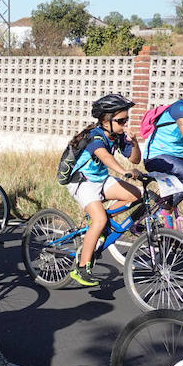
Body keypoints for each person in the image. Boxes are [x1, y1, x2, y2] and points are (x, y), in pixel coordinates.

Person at [62, 93, 146, 287]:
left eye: (126, 120)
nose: (124, 124)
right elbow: (105, 157)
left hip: (100, 179)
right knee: (99, 219)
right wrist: (124, 172)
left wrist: (134, 143)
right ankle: (81, 268)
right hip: (81, 182)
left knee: (136, 195)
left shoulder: (116, 136)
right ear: (106, 120)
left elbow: (135, 159)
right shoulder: (95, 136)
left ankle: (100, 226)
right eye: (121, 121)